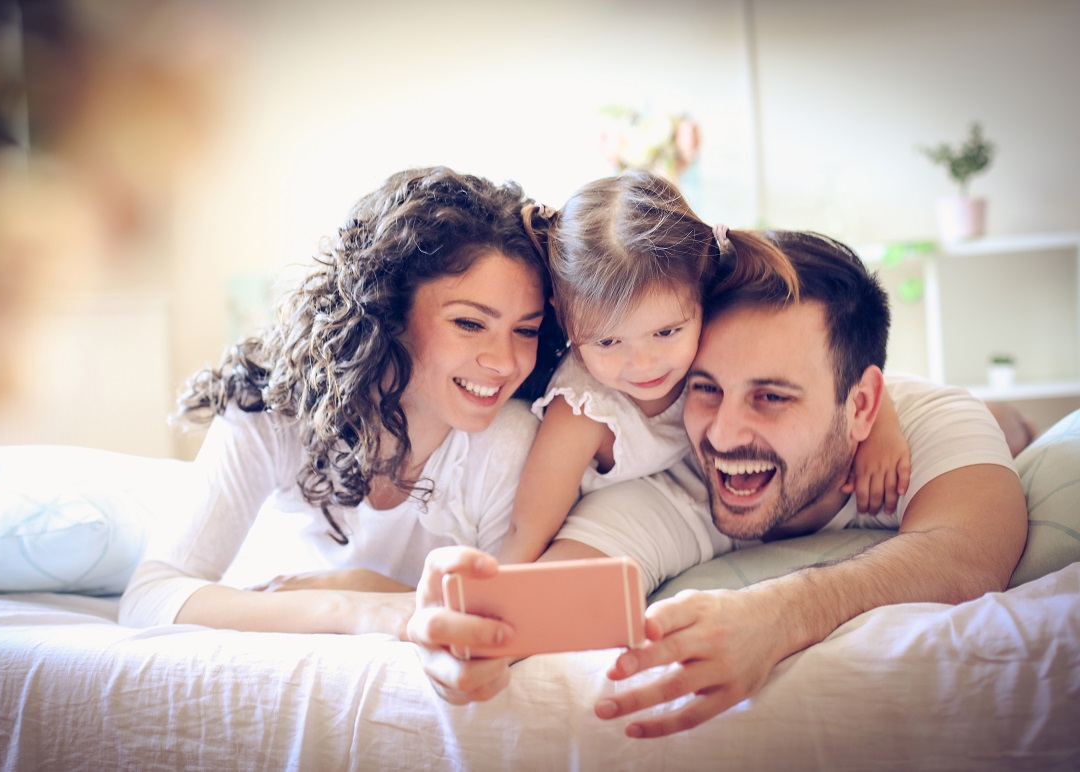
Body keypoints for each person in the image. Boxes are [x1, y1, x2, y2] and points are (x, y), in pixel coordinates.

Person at [407, 230, 1029, 736]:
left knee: (1011, 431)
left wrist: (778, 615)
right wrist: (461, 639)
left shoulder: (928, 419)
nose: (723, 434)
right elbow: (540, 600)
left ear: (864, 405)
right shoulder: (670, 481)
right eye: (703, 388)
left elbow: (969, 554)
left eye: (772, 396)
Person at [117, 166, 565, 635]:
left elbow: (500, 616)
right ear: (388, 311)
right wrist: (348, 608)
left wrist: (363, 585)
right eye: (470, 323)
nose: (504, 362)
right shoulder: (271, 409)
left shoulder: (511, 439)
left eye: (526, 330)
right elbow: (150, 597)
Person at [498, 173, 909, 565]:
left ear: (701, 294)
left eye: (665, 332)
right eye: (607, 342)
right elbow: (526, 528)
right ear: (567, 322)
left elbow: (852, 375)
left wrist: (880, 434)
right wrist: (498, 596)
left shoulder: (704, 337)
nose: (643, 365)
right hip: (594, 521)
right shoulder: (583, 411)